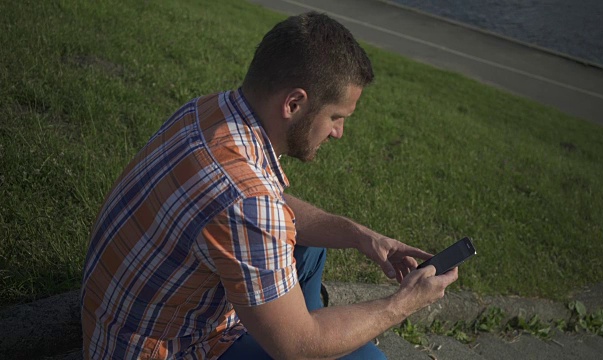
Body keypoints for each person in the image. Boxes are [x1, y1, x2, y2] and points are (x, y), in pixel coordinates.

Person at [81, 11, 458, 360]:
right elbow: (296, 344)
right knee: (365, 359)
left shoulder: (209, 110)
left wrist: (359, 235)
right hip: (171, 349)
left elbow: (264, 203)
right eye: (336, 117)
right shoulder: (246, 203)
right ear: (294, 103)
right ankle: (311, 331)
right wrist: (402, 304)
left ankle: (301, 323)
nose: (339, 133)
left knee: (308, 247)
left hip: (118, 318)